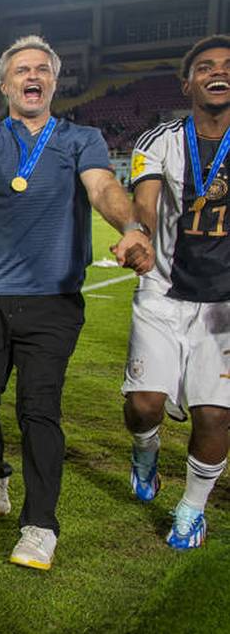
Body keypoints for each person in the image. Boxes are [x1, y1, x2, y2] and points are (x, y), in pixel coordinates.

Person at [0, 36, 153, 570]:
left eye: (42, 69)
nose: (33, 75)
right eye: (22, 69)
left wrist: (132, 227)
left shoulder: (81, 138)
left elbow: (103, 189)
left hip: (53, 302)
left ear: (53, 82)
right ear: (5, 85)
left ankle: (40, 526)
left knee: (39, 409)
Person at [123, 34, 230, 550]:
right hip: (163, 293)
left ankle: (191, 510)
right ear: (187, 83)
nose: (218, 71)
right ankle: (145, 452)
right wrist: (140, 235)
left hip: (224, 306)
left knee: (216, 414)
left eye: (226, 65)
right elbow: (145, 201)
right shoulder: (159, 140)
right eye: (205, 66)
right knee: (143, 406)